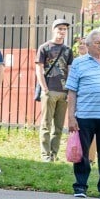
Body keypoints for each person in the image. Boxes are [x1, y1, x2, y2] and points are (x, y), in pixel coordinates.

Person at [65, 30, 100, 198]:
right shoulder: (79, 63)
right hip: (85, 116)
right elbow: (72, 92)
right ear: (88, 46)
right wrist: (71, 117)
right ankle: (80, 187)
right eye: (98, 43)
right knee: (82, 153)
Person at [35, 19, 74, 162]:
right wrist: (44, 88)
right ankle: (45, 155)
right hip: (49, 90)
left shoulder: (68, 50)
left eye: (64, 29)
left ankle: (54, 154)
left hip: (63, 92)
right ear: (53, 29)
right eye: (60, 28)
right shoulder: (44, 47)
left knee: (58, 126)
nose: (62, 31)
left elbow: (70, 71)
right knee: (46, 124)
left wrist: (70, 91)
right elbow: (38, 68)